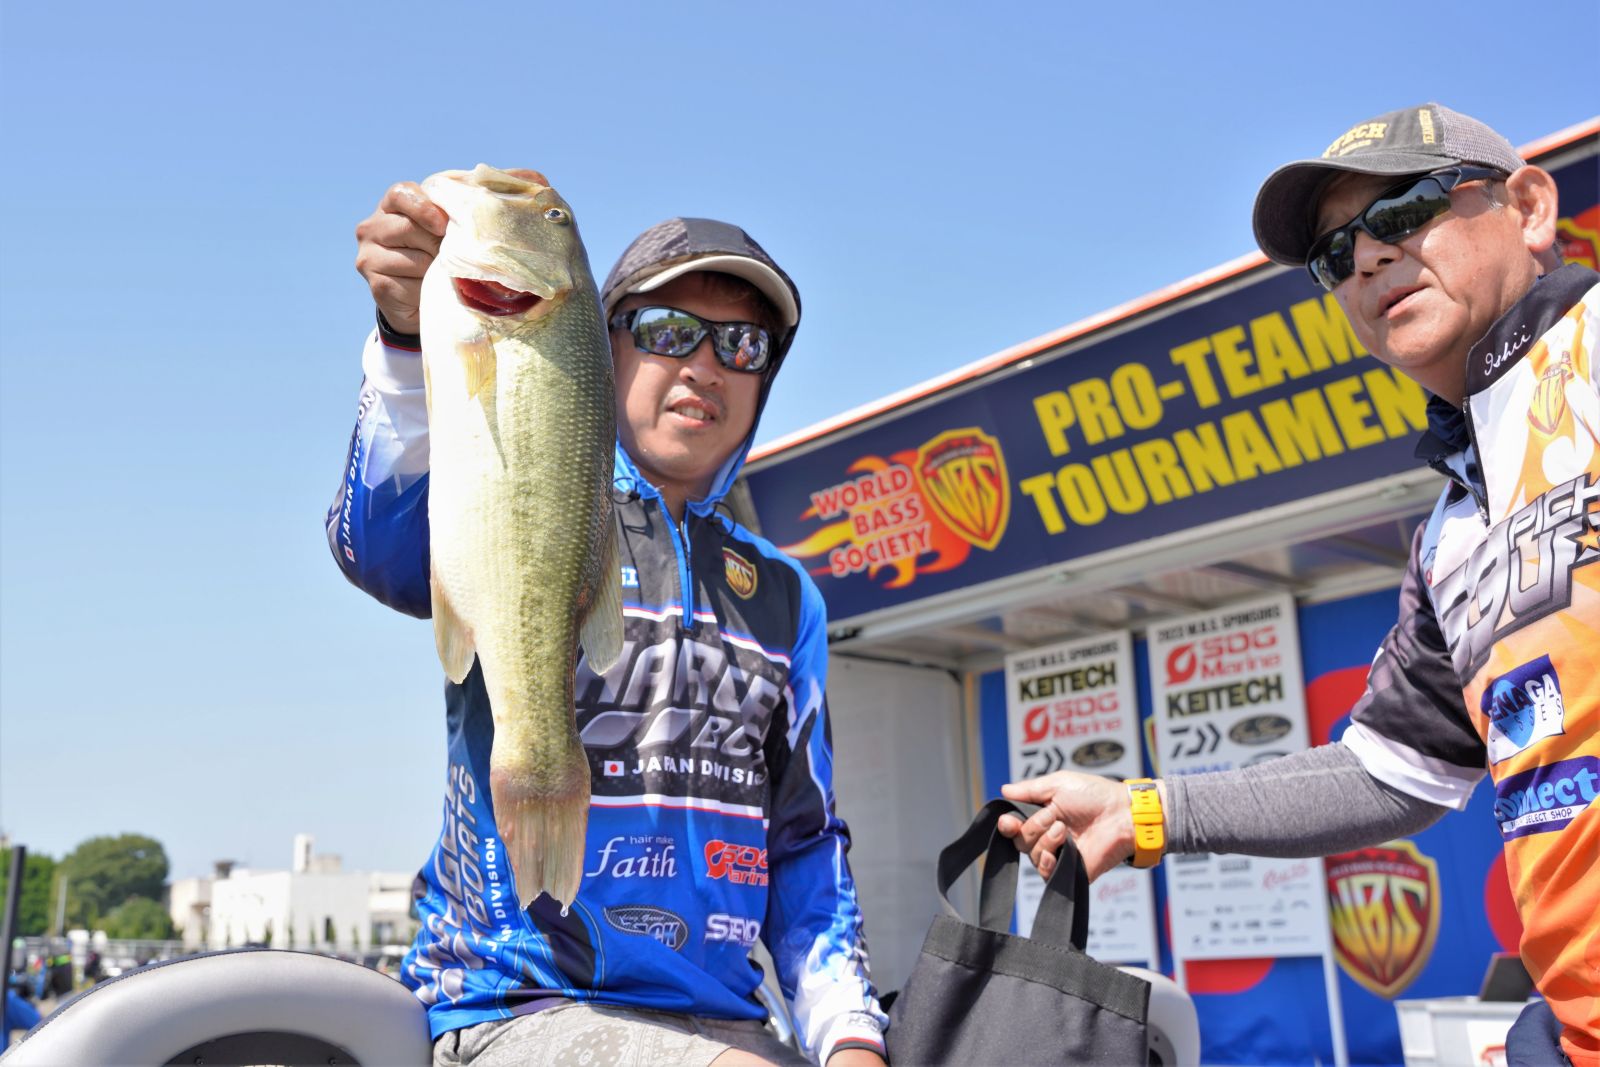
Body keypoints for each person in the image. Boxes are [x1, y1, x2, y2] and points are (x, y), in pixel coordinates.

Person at [998, 103, 1598, 1065]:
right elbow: (1385, 771)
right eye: (1335, 253)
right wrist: (1141, 811)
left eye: (1402, 212)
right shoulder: (1452, 531)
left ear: (1528, 207)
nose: (1368, 258)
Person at [330, 175, 888, 1067]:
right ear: (604, 344)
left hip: (732, 1023)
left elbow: (805, 845)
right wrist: (403, 342)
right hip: (514, 1002)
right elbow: (380, 549)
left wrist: (852, 1034)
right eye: (668, 330)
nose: (704, 365)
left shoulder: (788, 595)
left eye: (743, 343)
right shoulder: (516, 474)